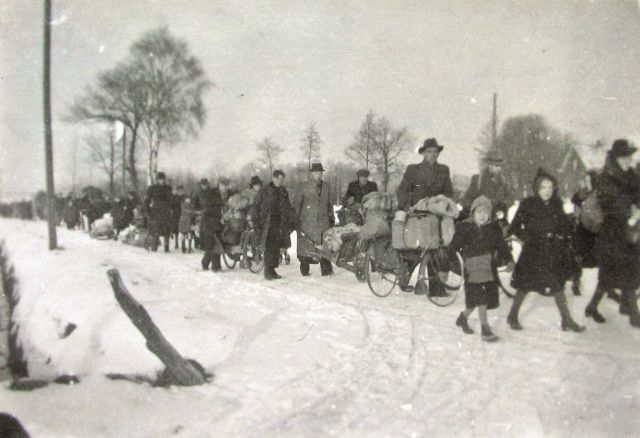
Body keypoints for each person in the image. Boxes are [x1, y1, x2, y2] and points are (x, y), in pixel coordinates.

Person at [506, 168, 585, 332]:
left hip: (552, 251)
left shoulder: (557, 204)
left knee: (557, 285)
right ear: (537, 188)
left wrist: (569, 227)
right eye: (543, 187)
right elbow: (513, 227)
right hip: (533, 252)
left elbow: (564, 225)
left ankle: (567, 320)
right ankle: (512, 315)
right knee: (525, 286)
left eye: (550, 187)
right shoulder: (528, 204)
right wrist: (527, 237)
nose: (547, 191)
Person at [586, 139, 640, 327]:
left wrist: (636, 206)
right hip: (612, 233)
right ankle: (634, 314)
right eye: (624, 157)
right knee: (619, 272)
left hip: (629, 232)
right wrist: (630, 209)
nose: (628, 160)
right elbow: (610, 205)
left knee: (616, 274)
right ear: (616, 158)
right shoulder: (606, 177)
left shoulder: (631, 175)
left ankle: (594, 306)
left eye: (629, 156)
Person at [448, 196, 514, 342]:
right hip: (472, 267)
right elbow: (452, 247)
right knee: (481, 296)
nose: (483, 215)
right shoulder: (465, 228)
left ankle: (463, 317)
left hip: (488, 266)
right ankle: (485, 328)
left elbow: (502, 246)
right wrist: (447, 264)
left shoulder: (493, 229)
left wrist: (509, 260)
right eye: (480, 211)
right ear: (473, 213)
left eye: (486, 212)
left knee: (478, 298)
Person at [396, 138, 453, 292]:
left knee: (435, 248)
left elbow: (448, 192)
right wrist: (405, 206)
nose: (433, 155)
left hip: (436, 215)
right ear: (423, 153)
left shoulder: (444, 170)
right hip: (417, 214)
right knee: (414, 249)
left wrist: (443, 202)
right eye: (429, 152)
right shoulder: (413, 170)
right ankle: (404, 276)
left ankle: (435, 288)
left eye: (435, 152)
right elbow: (402, 190)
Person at [251, 170, 294, 280]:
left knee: (276, 249)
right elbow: (255, 206)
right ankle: (267, 272)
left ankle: (273, 270)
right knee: (269, 248)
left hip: (280, 224)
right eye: (278, 178)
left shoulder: (283, 191)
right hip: (267, 224)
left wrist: (291, 219)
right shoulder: (264, 190)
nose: (280, 181)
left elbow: (288, 207)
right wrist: (256, 223)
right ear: (273, 178)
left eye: (282, 179)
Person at [293, 162, 335, 276]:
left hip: (323, 222)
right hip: (307, 223)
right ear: (311, 174)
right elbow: (297, 204)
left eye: (321, 173)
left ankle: (326, 269)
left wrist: (331, 217)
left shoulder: (326, 186)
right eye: (317, 173)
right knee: (306, 247)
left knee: (325, 246)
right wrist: (295, 220)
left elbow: (329, 204)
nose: (319, 175)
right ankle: (304, 268)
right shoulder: (303, 186)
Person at [569, 171, 599, 296]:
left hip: (596, 228)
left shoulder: (600, 192)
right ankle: (576, 282)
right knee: (578, 256)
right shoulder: (583, 193)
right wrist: (577, 217)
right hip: (583, 229)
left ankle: (608, 285)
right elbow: (574, 202)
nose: (587, 183)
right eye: (585, 180)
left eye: (589, 180)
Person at [461, 149, 513, 220]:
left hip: (498, 218)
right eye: (496, 165)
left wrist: (503, 204)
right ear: (489, 165)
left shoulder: (505, 181)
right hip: (482, 218)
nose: (498, 168)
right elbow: (467, 199)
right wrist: (476, 210)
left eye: (500, 166)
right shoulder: (478, 179)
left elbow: (510, 198)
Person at [193, 178, 225, 271]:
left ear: (208, 184)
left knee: (215, 242)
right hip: (206, 221)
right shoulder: (199, 194)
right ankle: (213, 265)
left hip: (215, 220)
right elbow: (195, 206)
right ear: (201, 185)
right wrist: (200, 211)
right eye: (203, 184)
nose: (204, 186)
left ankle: (209, 264)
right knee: (212, 243)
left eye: (206, 184)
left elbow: (220, 203)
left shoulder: (213, 192)